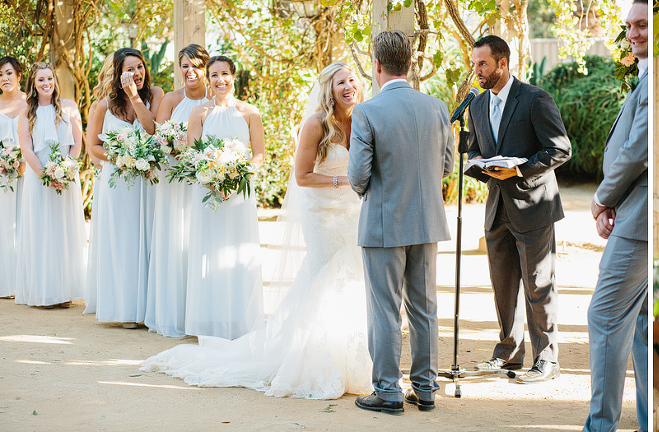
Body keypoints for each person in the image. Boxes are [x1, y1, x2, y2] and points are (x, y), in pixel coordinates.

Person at [141, 62, 373, 400]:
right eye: (341, 82)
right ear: (329, 88)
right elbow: (302, 176)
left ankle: (350, 358)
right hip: (321, 212)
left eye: (352, 80)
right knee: (324, 276)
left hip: (351, 211)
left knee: (351, 279)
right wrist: (342, 180)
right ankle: (309, 358)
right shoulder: (314, 124)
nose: (348, 86)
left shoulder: (363, 119)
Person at [348, 30, 455, 414]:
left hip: (383, 225)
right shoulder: (438, 107)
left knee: (385, 309)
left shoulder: (367, 111)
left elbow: (359, 175)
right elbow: (446, 166)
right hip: (426, 223)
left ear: (377, 65)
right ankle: (426, 389)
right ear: (409, 64)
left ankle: (389, 391)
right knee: (425, 308)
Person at [465, 34, 572, 384]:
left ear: (503, 64)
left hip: (533, 206)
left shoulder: (535, 99)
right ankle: (509, 352)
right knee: (503, 286)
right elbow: (475, 151)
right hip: (496, 209)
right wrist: (479, 164)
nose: (477, 70)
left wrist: (519, 168)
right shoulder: (476, 106)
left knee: (538, 285)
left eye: (483, 63)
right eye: (475, 63)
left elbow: (559, 149)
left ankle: (546, 358)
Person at [583, 0, 649, 430]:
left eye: (642, 25)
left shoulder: (656, 80)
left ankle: (600, 426)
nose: (633, 33)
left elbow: (636, 151)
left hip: (641, 220)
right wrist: (615, 203)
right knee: (642, 324)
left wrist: (603, 198)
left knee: (605, 317)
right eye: (630, 26)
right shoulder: (643, 77)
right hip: (634, 211)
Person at [182, 56, 266, 340]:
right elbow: (193, 154)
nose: (220, 80)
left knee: (238, 252)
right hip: (207, 191)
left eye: (225, 74)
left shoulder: (250, 112)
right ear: (208, 78)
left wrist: (238, 178)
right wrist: (211, 178)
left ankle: (238, 320)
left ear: (234, 76)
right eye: (214, 74)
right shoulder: (199, 113)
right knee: (209, 250)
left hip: (240, 194)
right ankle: (207, 320)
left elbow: (258, 155)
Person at [84, 48, 162, 326]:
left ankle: (148, 310)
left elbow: (153, 130)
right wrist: (122, 157)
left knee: (149, 239)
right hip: (117, 185)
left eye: (139, 67)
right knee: (123, 242)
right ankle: (124, 309)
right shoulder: (103, 106)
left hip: (148, 182)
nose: (137, 73)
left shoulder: (156, 95)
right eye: (129, 69)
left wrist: (134, 97)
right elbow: (93, 146)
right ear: (118, 74)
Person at [144, 43, 209, 337]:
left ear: (206, 68)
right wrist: (171, 143)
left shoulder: (214, 101)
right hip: (173, 179)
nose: (190, 71)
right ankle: (173, 314)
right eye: (185, 65)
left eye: (196, 65)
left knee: (198, 241)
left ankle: (201, 313)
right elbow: (158, 137)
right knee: (174, 240)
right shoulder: (170, 99)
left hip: (202, 178)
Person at [14, 62, 87, 309]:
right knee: (41, 231)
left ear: (55, 80)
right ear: (33, 84)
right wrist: (46, 175)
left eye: (49, 79)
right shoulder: (26, 112)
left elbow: (77, 142)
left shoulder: (69, 107)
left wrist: (66, 169)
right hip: (39, 178)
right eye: (41, 80)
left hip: (66, 177)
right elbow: (26, 147)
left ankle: (64, 291)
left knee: (63, 231)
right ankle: (43, 292)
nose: (46, 84)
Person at [0, 56, 24, 300]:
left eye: (8, 73)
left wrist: (24, 161)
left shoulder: (30, 102)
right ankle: (4, 282)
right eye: (0, 75)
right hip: (0, 175)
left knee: (23, 222)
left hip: (25, 171)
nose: (4, 79)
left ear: (18, 75)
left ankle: (23, 281)